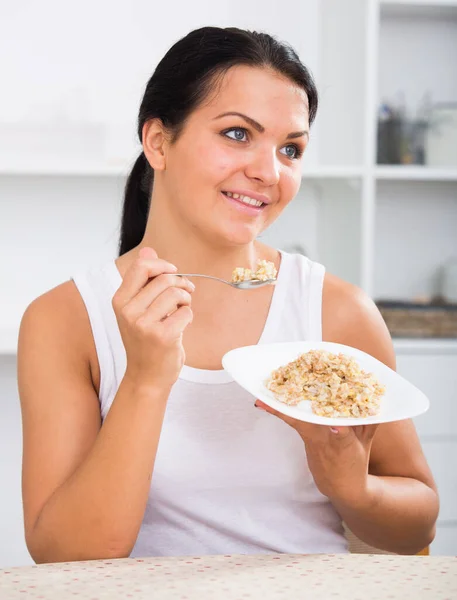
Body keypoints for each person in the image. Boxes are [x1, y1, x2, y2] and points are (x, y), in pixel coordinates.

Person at [17, 26, 439, 564]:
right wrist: (146, 379)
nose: (268, 172)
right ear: (158, 141)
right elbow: (64, 558)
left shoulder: (337, 312)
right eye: (237, 134)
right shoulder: (65, 320)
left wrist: (355, 488)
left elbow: (417, 522)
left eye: (291, 149)